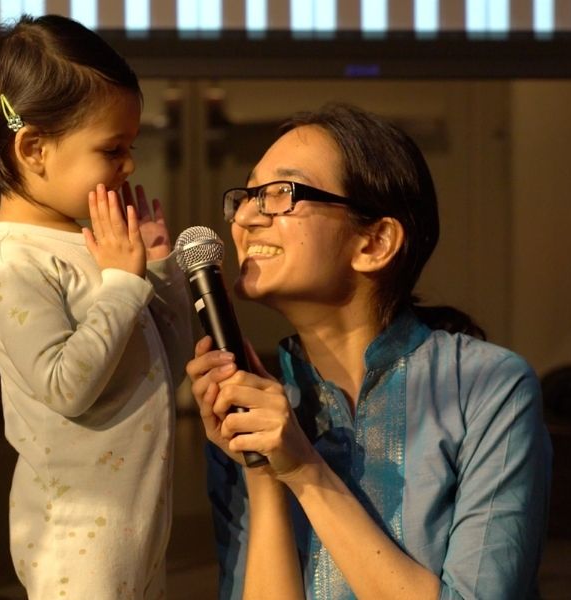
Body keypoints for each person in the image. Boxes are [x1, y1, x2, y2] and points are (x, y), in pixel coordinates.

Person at [186, 103, 552, 599]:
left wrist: (305, 470)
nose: (247, 217)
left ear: (374, 243)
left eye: (281, 193)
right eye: (249, 195)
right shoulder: (255, 412)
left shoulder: (486, 386)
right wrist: (264, 476)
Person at [0, 14, 191, 599]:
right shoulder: (14, 263)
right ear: (34, 148)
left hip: (135, 524)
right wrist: (122, 284)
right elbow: (66, 385)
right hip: (77, 534)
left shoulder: (95, 247)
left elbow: (167, 367)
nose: (128, 165)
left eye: (130, 148)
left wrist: (159, 272)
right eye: (112, 149)